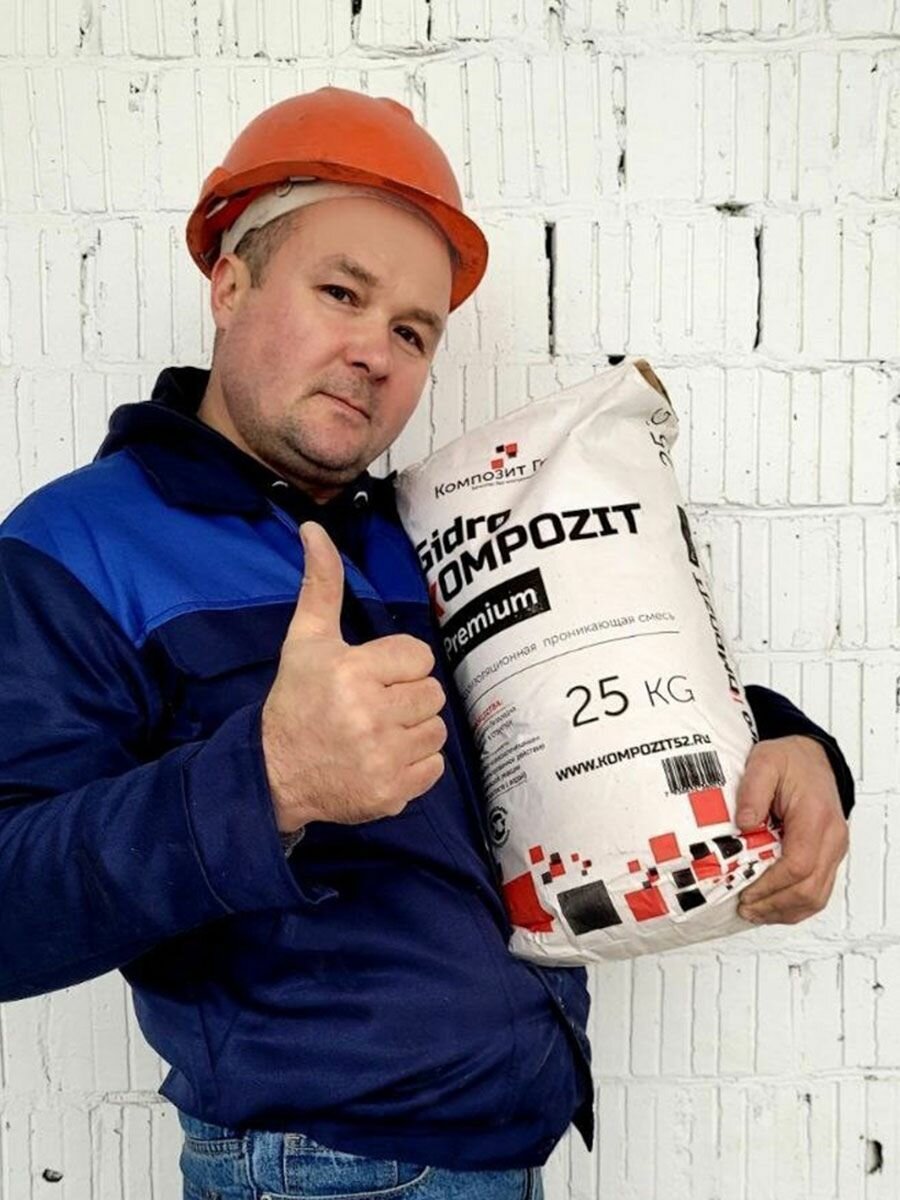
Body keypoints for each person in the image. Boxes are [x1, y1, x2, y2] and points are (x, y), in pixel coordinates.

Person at [0, 87, 853, 1199]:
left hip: (502, 1150)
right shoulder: (79, 545)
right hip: (317, 1172)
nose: (375, 353)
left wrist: (792, 746)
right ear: (230, 284)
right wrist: (271, 779)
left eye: (413, 331)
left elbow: (584, 684)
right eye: (340, 292)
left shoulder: (421, 532)